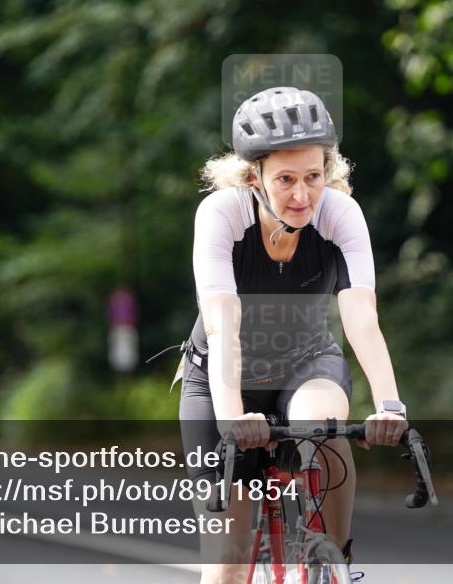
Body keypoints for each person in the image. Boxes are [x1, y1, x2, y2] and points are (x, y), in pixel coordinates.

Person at [177, 86, 408, 584]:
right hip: (221, 378)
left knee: (322, 426)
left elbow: (361, 317)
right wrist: (233, 418)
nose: (302, 196)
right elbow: (221, 323)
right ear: (253, 177)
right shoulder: (222, 215)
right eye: (285, 179)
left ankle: (335, 561)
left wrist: (390, 405)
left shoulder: (339, 214)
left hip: (307, 363)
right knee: (228, 561)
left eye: (313, 176)